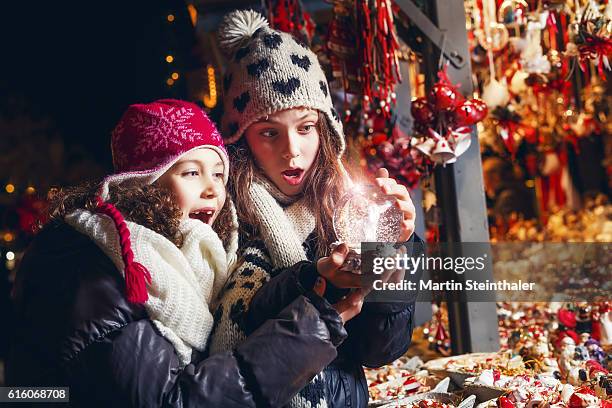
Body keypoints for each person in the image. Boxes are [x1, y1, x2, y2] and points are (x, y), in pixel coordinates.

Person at [7, 99, 350, 407]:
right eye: (191, 173)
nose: (213, 189)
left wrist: (313, 284)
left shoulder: (197, 254)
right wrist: (308, 332)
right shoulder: (93, 260)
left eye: (218, 174)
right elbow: (171, 399)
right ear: (142, 184)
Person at [210, 10, 419, 407]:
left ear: (325, 129)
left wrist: (394, 249)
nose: (293, 150)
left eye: (305, 128)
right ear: (240, 137)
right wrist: (310, 280)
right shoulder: (221, 214)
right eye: (270, 132)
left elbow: (378, 350)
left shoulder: (349, 209)